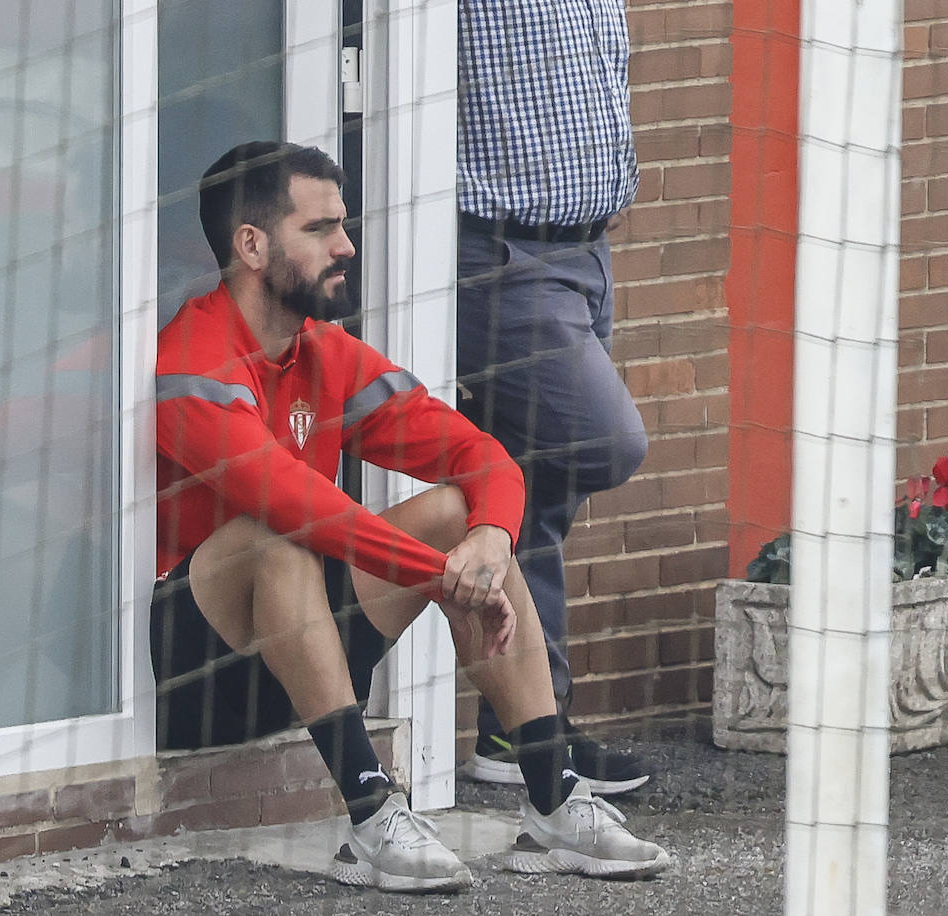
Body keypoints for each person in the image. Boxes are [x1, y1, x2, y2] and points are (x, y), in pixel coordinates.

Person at [151, 141, 669, 893]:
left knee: (464, 511)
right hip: (197, 674)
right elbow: (295, 504)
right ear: (252, 246)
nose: (346, 245)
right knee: (277, 534)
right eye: (322, 228)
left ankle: (556, 801)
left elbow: (481, 455)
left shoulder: (323, 352)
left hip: (304, 634)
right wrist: (446, 580)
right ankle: (370, 814)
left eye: (345, 224)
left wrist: (487, 545)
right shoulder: (194, 358)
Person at [456, 1, 652, 794]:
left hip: (586, 249)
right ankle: (521, 725)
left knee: (530, 491)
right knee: (605, 441)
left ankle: (522, 729)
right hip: (501, 253)